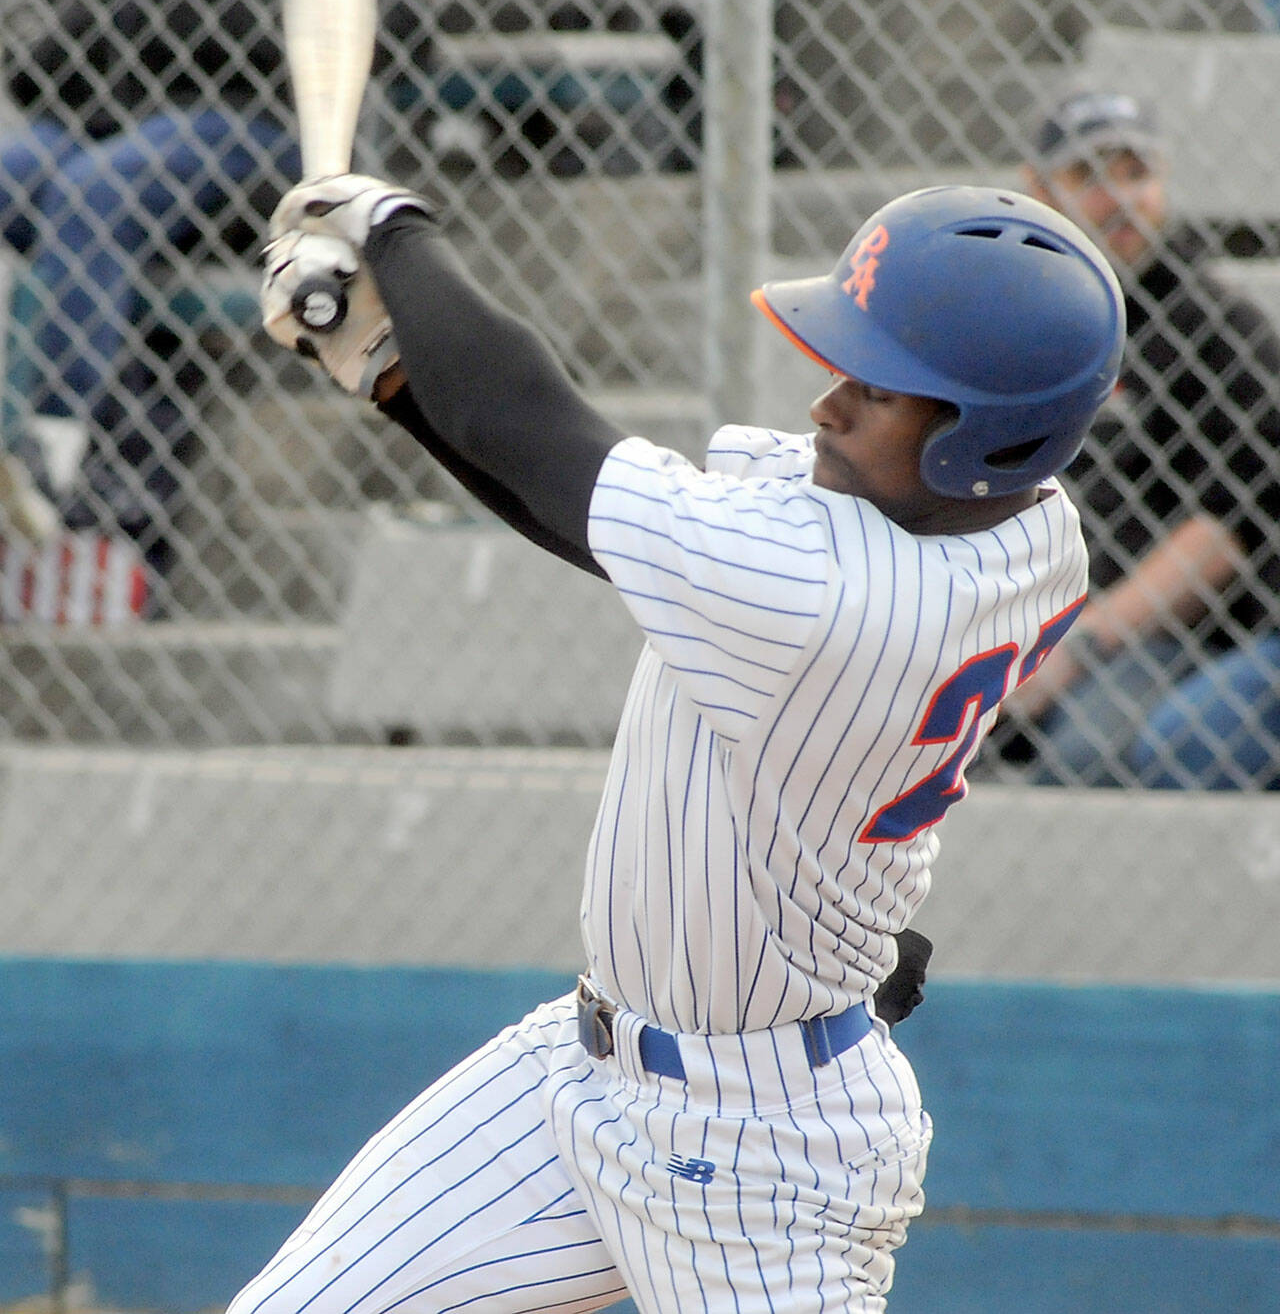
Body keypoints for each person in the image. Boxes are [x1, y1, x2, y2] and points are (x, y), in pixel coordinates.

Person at [230, 175, 1123, 1313]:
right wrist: (396, 378)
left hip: (764, 1158)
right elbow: (582, 513)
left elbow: (537, 437)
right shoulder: (1033, 529)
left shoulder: (825, 588)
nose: (827, 406)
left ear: (981, 438)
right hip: (583, 1073)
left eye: (880, 388)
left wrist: (395, 232)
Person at [0, 0, 432, 601]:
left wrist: (243, 27)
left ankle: (51, 446)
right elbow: (43, 32)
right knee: (27, 171)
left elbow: (400, 14)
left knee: (96, 193)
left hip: (247, 120)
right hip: (105, 119)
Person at [999, 90, 1280, 788]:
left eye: (1135, 172)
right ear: (1037, 190)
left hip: (1179, 631)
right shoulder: (1017, 321)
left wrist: (1080, 645)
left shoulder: (1216, 326)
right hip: (1028, 619)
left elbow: (1229, 527)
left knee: (1082, 754)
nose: (1118, 197)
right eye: (1089, 176)